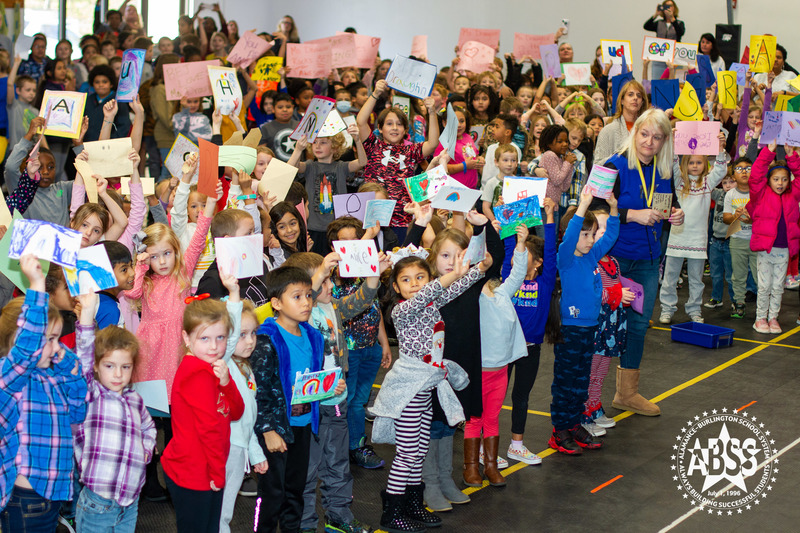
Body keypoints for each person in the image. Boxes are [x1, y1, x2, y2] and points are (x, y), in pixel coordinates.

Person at [372, 250, 490, 533]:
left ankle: (413, 504)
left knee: (420, 450)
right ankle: (392, 512)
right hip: (410, 390)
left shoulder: (430, 304)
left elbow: (454, 288)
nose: (414, 284)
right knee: (408, 455)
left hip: (426, 388)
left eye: (420, 277)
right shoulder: (402, 310)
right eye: (407, 280)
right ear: (397, 287)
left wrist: (480, 269)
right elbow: (436, 289)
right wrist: (452, 274)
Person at [285, 251, 387, 533]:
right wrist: (319, 275)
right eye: (325, 281)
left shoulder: (334, 308)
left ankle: (339, 516)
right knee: (306, 470)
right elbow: (312, 290)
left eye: (329, 280)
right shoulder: (301, 317)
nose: (330, 286)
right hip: (310, 408)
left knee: (338, 465)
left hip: (336, 404)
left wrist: (374, 272)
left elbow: (364, 298)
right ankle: (304, 524)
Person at [591, 108, 684, 417]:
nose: (649, 141)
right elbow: (593, 206)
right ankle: (587, 397)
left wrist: (677, 214)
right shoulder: (614, 164)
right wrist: (632, 215)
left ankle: (626, 393)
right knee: (601, 325)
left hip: (646, 259)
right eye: (644, 134)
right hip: (612, 259)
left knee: (639, 326)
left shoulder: (664, 170)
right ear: (635, 134)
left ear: (664, 142)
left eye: (657, 137)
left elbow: (670, 204)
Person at [0, 255, 87, 530]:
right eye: (48, 339)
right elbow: (28, 348)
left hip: (52, 493)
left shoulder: (50, 375)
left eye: (57, 338)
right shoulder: (9, 377)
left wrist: (66, 361)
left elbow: (78, 410)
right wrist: (37, 284)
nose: (54, 347)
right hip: (25, 497)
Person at [161, 293, 245, 533]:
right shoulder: (196, 374)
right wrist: (219, 475)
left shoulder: (212, 369)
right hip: (195, 474)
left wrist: (227, 382)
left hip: (206, 469)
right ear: (187, 338)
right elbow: (210, 429)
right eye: (205, 338)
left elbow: (236, 412)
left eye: (220, 338)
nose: (214, 346)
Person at [251, 266, 325, 533]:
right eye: (297, 296)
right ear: (276, 303)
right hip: (276, 427)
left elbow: (312, 380)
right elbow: (259, 390)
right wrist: (268, 430)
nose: (306, 302)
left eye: (308, 295)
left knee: (296, 489)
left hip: (302, 424)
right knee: (271, 492)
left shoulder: (312, 336)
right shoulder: (266, 339)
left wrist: (329, 386)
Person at [73, 295, 156, 533]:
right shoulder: (92, 393)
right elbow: (84, 357)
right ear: (97, 366)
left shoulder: (134, 399)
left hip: (130, 501)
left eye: (125, 367)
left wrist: (145, 451)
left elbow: (149, 429)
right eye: (110, 366)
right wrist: (87, 317)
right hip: (98, 501)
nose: (118, 374)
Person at [549, 191, 619, 454]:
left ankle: (574, 423)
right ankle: (560, 431)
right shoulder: (565, 258)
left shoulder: (591, 257)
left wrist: (613, 208)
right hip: (570, 330)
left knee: (580, 381)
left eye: (593, 235)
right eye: (585, 234)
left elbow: (610, 236)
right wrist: (583, 207)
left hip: (589, 328)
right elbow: (569, 236)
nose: (591, 240)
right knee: (565, 382)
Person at [464, 224, 529, 487]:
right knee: (474, 419)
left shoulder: (502, 293)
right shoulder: (472, 296)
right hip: (478, 371)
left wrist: (521, 243)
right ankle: (470, 468)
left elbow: (519, 273)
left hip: (500, 371)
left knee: (491, 418)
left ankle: (490, 465)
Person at [503, 198, 557, 464]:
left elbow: (552, 253)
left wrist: (549, 216)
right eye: (515, 256)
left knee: (520, 396)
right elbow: (507, 247)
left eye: (524, 257)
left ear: (537, 264)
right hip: (504, 346)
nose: (517, 259)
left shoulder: (545, 282)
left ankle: (516, 444)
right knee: (494, 397)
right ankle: (481, 448)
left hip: (529, 348)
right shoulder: (507, 276)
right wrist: (505, 213)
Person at [357, 78, 440, 242]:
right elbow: (360, 121)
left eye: (399, 124)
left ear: (405, 130)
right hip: (374, 220)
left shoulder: (411, 150)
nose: (395, 128)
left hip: (403, 219)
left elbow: (433, 144)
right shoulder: (373, 145)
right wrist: (375, 94)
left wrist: (431, 113)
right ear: (380, 128)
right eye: (389, 124)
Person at [659, 135, 727, 324]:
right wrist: (673, 142)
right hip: (677, 238)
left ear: (704, 164)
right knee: (670, 277)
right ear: (684, 164)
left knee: (697, 279)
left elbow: (721, 170)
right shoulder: (679, 182)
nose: (695, 166)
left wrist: (720, 148)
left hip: (697, 240)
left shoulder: (707, 183)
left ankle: (694, 309)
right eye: (691, 163)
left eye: (698, 162)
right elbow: (672, 166)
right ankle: (667, 308)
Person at [580, 205, 634, 437]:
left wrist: (625, 294)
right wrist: (617, 295)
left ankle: (594, 405)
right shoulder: (591, 264)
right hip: (597, 325)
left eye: (604, 228)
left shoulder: (613, 262)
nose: (600, 234)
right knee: (591, 369)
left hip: (610, 325)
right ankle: (583, 411)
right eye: (595, 230)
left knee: (602, 369)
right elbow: (594, 294)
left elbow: (613, 288)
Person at [288, 125, 367, 255]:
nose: (317, 146)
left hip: (337, 228)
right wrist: (298, 149)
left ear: (335, 147)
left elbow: (362, 162)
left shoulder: (341, 167)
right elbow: (290, 169)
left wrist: (357, 140)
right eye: (314, 142)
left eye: (323, 142)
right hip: (313, 228)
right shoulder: (310, 166)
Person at [747, 143, 800, 333]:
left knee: (778, 287)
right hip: (765, 250)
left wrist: (792, 156)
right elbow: (755, 174)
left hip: (784, 250)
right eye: (776, 179)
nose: (780, 183)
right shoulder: (760, 194)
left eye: (784, 179)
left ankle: (773, 318)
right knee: (764, 286)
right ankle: (760, 318)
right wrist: (768, 151)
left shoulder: (793, 194)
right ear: (768, 180)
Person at [723, 158, 756, 320]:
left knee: (759, 275)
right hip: (737, 240)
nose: (744, 171)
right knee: (738, 274)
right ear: (733, 176)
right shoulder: (730, 194)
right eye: (740, 168)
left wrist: (752, 219)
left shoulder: (758, 192)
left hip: (757, 240)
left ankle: (765, 306)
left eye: (748, 168)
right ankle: (739, 303)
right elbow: (726, 217)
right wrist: (735, 216)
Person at [594, 80, 648, 164]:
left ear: (642, 103)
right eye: (630, 95)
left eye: (639, 96)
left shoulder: (648, 130)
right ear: (622, 100)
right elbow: (598, 164)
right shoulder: (608, 131)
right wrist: (619, 156)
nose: (635, 98)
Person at [705, 172, 737, 309]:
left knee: (731, 276)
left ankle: (735, 301)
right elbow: (707, 185)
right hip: (715, 240)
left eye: (731, 182)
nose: (728, 185)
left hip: (730, 241)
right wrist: (712, 172)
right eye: (725, 182)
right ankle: (717, 298)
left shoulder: (738, 196)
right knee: (715, 274)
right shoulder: (718, 194)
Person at [436, 106, 484, 189]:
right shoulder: (445, 142)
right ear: (444, 123)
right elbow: (439, 168)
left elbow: (473, 157)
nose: (458, 125)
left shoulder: (468, 137)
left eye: (462, 121)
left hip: (472, 187)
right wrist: (464, 166)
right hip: (454, 189)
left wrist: (480, 159)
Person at [643, 1, 684, 78]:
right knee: (657, 81)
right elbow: (646, 26)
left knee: (674, 83)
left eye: (670, 6)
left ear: (674, 8)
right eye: (666, 6)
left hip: (674, 59)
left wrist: (672, 19)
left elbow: (680, 32)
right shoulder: (659, 23)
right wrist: (656, 14)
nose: (668, 8)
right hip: (659, 57)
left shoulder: (679, 23)